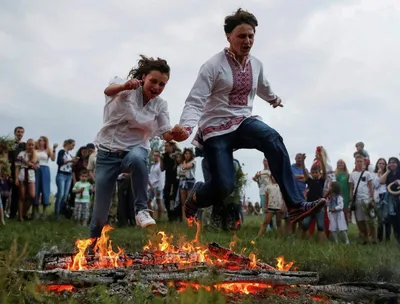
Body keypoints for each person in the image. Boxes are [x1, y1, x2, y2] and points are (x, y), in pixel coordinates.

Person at [170, 8, 325, 223]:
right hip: (216, 128)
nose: (248, 40)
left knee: (272, 138)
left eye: (251, 36)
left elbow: (263, 86)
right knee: (223, 187)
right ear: (229, 37)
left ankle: (295, 205)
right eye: (242, 36)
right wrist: (186, 127)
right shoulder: (213, 66)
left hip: (243, 122)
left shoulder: (256, 64)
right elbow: (195, 100)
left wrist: (274, 99)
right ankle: (197, 197)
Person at [90, 55, 173, 241]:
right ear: (143, 77)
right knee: (100, 215)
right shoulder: (125, 87)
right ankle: (90, 247)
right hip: (108, 153)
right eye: (153, 81)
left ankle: (141, 210)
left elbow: (166, 133)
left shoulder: (160, 105)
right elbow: (108, 90)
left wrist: (178, 133)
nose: (157, 88)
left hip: (135, 149)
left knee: (137, 157)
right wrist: (124, 86)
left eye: (162, 84)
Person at [8, 126, 26, 219]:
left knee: (15, 193)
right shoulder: (9, 144)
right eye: (18, 132)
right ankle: (3, 212)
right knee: (5, 193)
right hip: (9, 169)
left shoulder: (24, 145)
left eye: (22, 132)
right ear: (15, 133)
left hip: (19, 170)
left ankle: (13, 214)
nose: (20, 133)